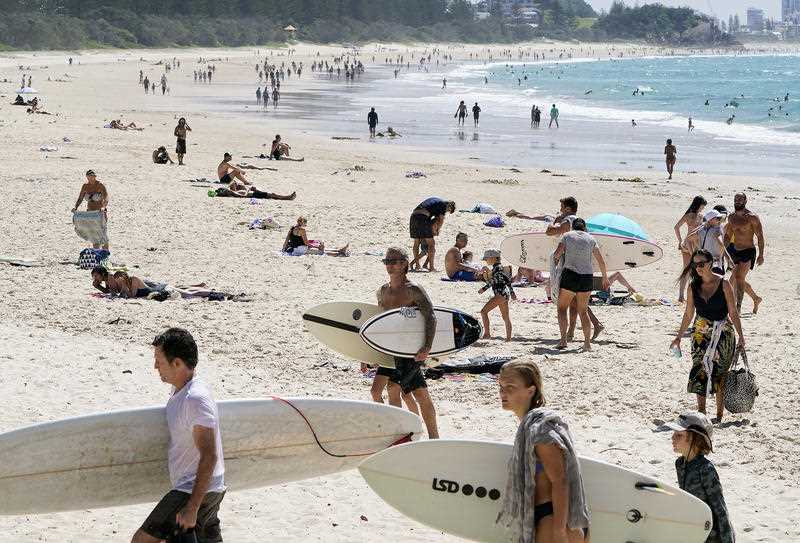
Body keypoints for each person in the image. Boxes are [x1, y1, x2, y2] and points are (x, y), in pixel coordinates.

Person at [131, 328, 226, 543]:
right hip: (210, 490)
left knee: (142, 540)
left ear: (177, 363)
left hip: (191, 491)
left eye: (159, 360)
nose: (155, 366)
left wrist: (192, 506)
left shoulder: (195, 399)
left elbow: (209, 455)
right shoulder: (184, 390)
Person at [496, 360, 590, 543]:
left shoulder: (541, 431)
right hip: (550, 518)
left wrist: (559, 531)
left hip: (554, 519)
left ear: (530, 391)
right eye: (500, 386)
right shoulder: (532, 427)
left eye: (510, 387)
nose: (502, 392)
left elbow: (560, 481)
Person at [671, 250, 745, 423]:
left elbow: (733, 312)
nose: (698, 268)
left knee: (721, 373)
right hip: (700, 331)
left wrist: (741, 335)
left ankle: (719, 415)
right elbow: (688, 314)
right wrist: (679, 336)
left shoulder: (724, 284)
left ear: (711, 263)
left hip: (723, 332)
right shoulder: (693, 286)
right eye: (695, 265)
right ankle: (701, 411)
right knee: (699, 369)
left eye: (701, 264)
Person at [375, 247, 439, 439]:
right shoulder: (382, 292)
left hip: (411, 350)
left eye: (393, 261)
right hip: (390, 350)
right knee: (416, 393)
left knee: (395, 388)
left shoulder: (414, 290)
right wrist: (368, 354)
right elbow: (380, 325)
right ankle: (408, 434)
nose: (389, 265)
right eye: (387, 262)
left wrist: (427, 346)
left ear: (405, 263)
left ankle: (405, 435)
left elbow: (431, 317)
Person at [666, 412, 735, 543]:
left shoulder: (706, 469)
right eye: (674, 433)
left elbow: (720, 509)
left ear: (695, 439)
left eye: (679, 435)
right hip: (694, 530)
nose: (672, 438)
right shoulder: (680, 464)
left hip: (712, 536)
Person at [553, 218, 609, 351]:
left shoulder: (567, 236)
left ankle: (563, 340)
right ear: (584, 228)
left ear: (572, 227)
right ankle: (587, 344)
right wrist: (605, 277)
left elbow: (557, 254)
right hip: (587, 277)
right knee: (583, 311)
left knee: (562, 308)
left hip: (571, 275)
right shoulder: (591, 239)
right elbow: (601, 261)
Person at [724, 193, 764, 312]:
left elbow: (760, 236)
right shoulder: (731, 217)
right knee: (736, 278)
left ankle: (738, 307)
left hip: (748, 251)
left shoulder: (752, 217)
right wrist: (723, 250)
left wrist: (761, 255)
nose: (737, 201)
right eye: (736, 199)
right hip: (734, 251)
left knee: (738, 277)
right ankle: (756, 298)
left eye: (740, 199)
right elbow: (728, 235)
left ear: (745, 201)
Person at [674, 196, 707, 303]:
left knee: (686, 270)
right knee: (697, 270)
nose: (703, 208)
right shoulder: (701, 217)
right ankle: (693, 295)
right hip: (695, 244)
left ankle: (681, 296)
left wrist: (680, 241)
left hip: (686, 243)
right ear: (699, 205)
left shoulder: (688, 215)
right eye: (702, 206)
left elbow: (676, 227)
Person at [409, 197, 456, 272]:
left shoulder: (436, 202)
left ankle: (417, 266)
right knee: (431, 244)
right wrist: (437, 230)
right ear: (449, 206)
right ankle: (431, 267)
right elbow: (441, 219)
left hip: (413, 216)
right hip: (423, 217)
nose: (446, 212)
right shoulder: (443, 205)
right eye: (448, 211)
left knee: (416, 242)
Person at [479, 249, 516, 341]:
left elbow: (494, 281)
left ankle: (487, 334)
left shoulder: (497, 268)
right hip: (504, 294)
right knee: (506, 317)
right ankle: (508, 338)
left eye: (487, 258)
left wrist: (484, 289)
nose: (486, 260)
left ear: (493, 258)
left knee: (484, 312)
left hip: (500, 294)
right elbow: (507, 280)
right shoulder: (498, 267)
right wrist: (512, 292)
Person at [72, 169, 109, 251]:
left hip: (100, 213)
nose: (92, 178)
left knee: (102, 234)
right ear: (87, 177)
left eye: (93, 176)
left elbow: (106, 197)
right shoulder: (85, 186)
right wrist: (76, 207)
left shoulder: (100, 185)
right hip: (90, 212)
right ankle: (97, 253)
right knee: (94, 234)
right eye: (90, 176)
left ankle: (105, 254)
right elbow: (80, 198)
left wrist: (103, 207)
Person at [282, 216, 349, 256]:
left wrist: (283, 249)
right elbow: (306, 243)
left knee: (321, 249)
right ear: (303, 223)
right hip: (301, 249)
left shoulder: (292, 228)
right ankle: (340, 253)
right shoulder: (302, 230)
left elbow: (286, 240)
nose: (306, 226)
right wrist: (317, 246)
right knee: (321, 252)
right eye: (305, 224)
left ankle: (339, 250)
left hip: (295, 248)